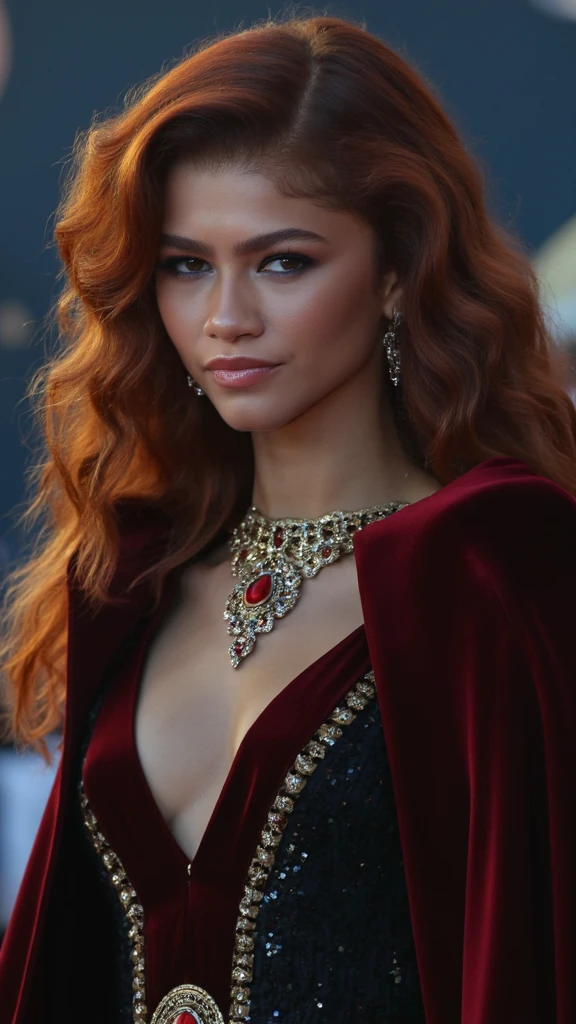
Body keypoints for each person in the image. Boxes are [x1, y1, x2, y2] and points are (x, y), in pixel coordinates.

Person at [1, 12, 576, 1024]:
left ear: (398, 271)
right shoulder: (132, 579)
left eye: (281, 261)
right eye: (186, 264)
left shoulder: (497, 564)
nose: (226, 317)